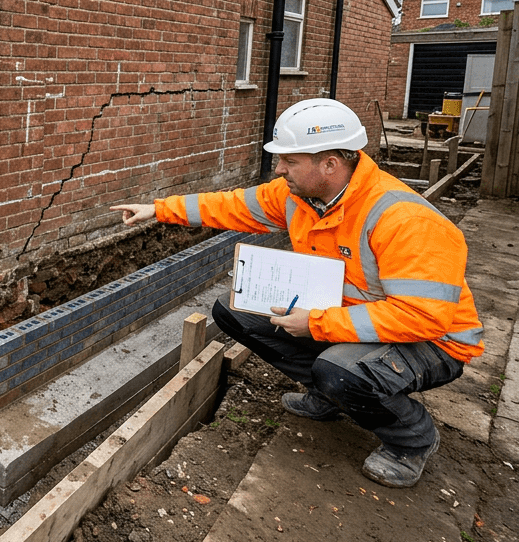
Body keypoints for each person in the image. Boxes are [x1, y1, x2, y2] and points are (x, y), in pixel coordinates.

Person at [111, 98, 483, 488]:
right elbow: (232, 205)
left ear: (330, 164)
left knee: (338, 371)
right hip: (353, 318)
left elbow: (423, 316)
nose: (279, 169)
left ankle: (411, 439)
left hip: (433, 342)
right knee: (233, 309)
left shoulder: (406, 220)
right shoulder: (301, 197)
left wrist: (318, 322)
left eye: (289, 160)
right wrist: (158, 209)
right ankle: (330, 395)